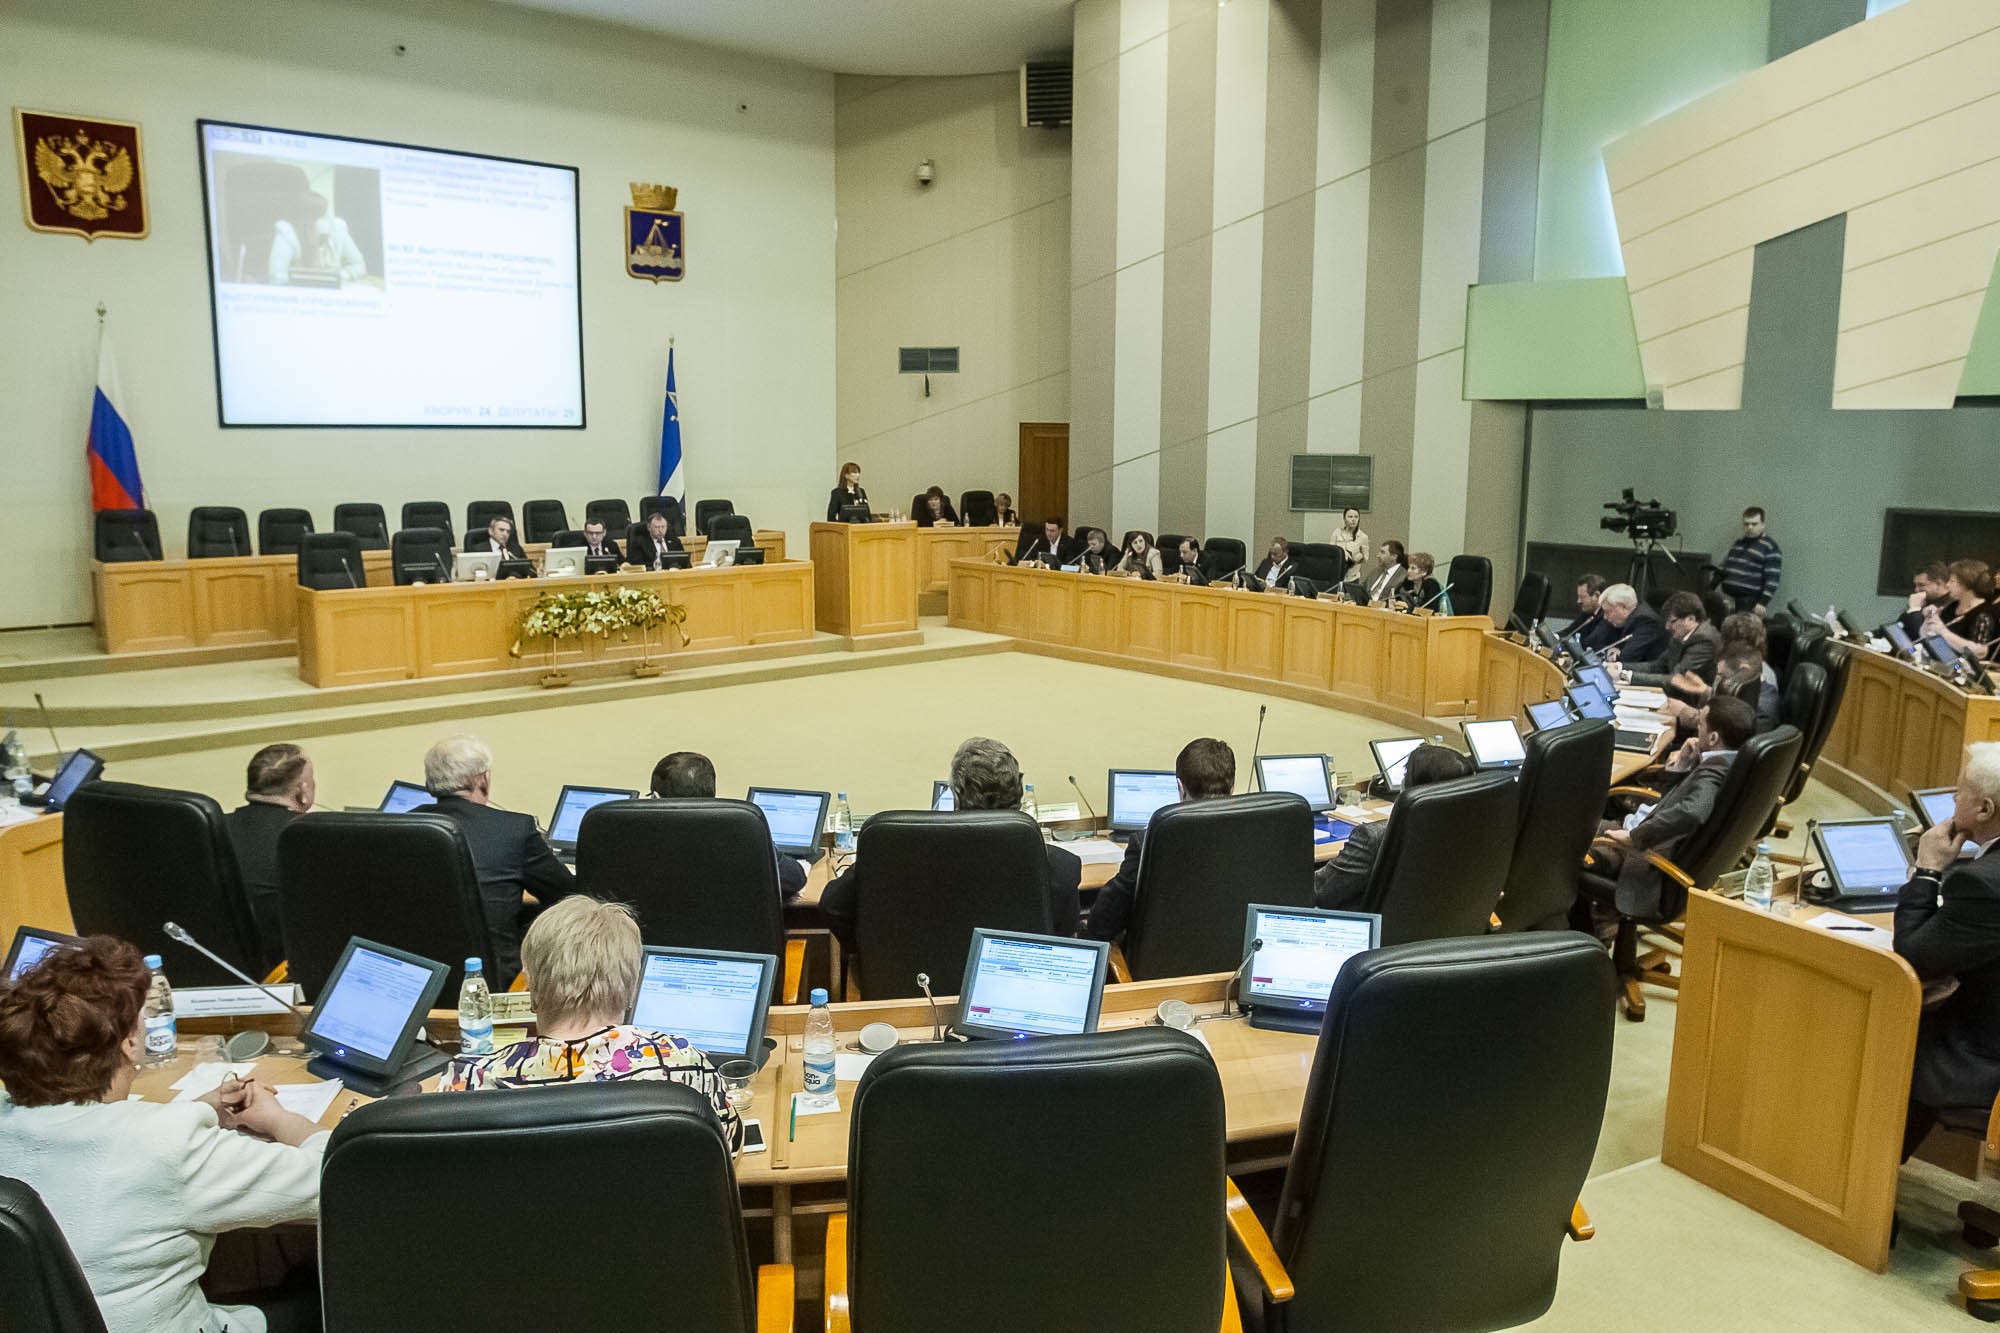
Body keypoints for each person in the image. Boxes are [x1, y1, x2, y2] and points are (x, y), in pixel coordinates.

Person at [0, 936, 328, 1332]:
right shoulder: (166, 1144)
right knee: (319, 1302)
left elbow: (102, 1140)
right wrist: (280, 1121)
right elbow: (335, 1183)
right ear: (131, 1042)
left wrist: (201, 1110)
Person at [436, 897, 742, 1144]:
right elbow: (727, 1149)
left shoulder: (466, 1082)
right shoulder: (681, 1063)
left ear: (532, 992)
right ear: (630, 991)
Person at [822, 737, 1081, 951]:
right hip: (1013, 999)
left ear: (956, 793)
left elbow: (832, 905)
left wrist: (874, 953)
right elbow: (1059, 942)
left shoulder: (893, 853)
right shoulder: (1062, 868)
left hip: (911, 995)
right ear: (1020, 791)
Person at [1895, 743, 2000, 1160]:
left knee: (1883, 1024)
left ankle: (1862, 1183)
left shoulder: (1984, 885)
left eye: (1960, 793)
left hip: (1982, 1055)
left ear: (1985, 809)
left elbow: (1913, 955)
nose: (1953, 799)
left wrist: (1927, 871)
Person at [413, 735, 574, 987]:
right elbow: (569, 895)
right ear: (482, 780)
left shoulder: (404, 827)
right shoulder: (514, 829)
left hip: (418, 976)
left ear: (429, 782)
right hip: (493, 984)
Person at [1586, 694, 1756, 924]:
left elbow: (1692, 812)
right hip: (1656, 846)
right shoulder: (1734, 764)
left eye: (1701, 725)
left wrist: (1635, 837)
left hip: (1645, 861)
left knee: (1563, 839)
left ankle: (1589, 931)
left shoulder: (1713, 773)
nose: (1698, 728)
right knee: (1578, 825)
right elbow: (1673, 801)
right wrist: (1683, 766)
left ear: (1714, 737)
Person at [1086, 738, 1238, 943]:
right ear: (1233, 786)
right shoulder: (1260, 837)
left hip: (1159, 972)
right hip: (1237, 965)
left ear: (1179, 787)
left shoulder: (1149, 842)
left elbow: (1102, 924)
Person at [1313, 745, 1474, 910]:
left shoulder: (1373, 837)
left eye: (1405, 775)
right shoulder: (1472, 832)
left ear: (1413, 789)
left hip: (1371, 930)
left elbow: (1321, 892)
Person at [648, 750, 806, 899]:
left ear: (655, 798)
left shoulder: (633, 838)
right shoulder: (742, 831)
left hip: (648, 928)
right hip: (735, 928)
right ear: (711, 794)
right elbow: (794, 879)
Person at [224, 743, 315, 974]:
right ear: (302, 791)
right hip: (285, 969)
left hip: (229, 962)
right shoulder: (304, 838)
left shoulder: (217, 826)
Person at [1622, 591, 1721, 688]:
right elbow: (1658, 666)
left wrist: (1629, 676)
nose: (1667, 627)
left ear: (1691, 619)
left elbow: (1677, 679)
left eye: (1672, 621)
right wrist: (1620, 667)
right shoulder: (1681, 635)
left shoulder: (1704, 641)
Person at [268, 189, 367, 285]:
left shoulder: (337, 228)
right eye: (319, 216)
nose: (327, 220)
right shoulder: (288, 232)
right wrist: (311, 281)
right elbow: (276, 276)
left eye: (325, 214)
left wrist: (341, 276)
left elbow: (359, 265)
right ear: (303, 219)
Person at [1921, 558, 1999, 658]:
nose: (1947, 585)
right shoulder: (1952, 606)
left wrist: (1943, 631)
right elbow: (1927, 637)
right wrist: (1928, 620)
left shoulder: (1984, 615)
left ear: (1967, 584)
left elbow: (1979, 653)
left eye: (1952, 581)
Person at [1719, 506, 1782, 615]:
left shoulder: (1770, 547)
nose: (1750, 527)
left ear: (1763, 525)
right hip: (1728, 600)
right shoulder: (1738, 543)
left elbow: (1772, 579)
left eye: (1754, 524)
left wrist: (1763, 603)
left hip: (1749, 603)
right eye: (1746, 524)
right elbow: (1725, 566)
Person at [1597, 583, 1670, 666]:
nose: (1605, 617)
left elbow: (1626, 659)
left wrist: (1617, 653)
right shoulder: (1634, 615)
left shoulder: (1646, 621)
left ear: (1623, 607)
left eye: (1608, 612)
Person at [1899, 562, 1952, 639]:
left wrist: (1915, 609)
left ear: (1938, 584)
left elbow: (1921, 638)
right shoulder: (1925, 600)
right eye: (1915, 585)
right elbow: (1900, 626)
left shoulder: (1950, 607)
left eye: (1921, 585)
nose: (1916, 590)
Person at [1564, 574, 1613, 647]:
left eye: (1582, 597)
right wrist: (1552, 637)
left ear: (1597, 595)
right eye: (1578, 596)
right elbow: (1568, 632)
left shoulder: (1607, 617)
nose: (1578, 601)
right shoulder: (1586, 612)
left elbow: (1588, 643)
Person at [1018, 516, 1083, 567]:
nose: (1049, 533)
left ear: (1060, 530)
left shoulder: (1069, 543)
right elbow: (1032, 558)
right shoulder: (1040, 541)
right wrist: (1033, 563)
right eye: (1047, 530)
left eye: (1052, 531)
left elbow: (1068, 565)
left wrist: (1046, 566)